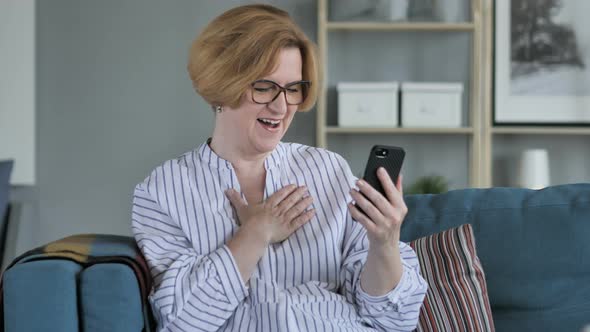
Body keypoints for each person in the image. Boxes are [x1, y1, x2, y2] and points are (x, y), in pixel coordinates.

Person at [132, 4, 427, 332]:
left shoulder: (328, 170)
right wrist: (255, 234)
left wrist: (384, 243)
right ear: (222, 84)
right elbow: (181, 322)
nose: (281, 105)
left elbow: (393, 321)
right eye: (264, 87)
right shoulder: (162, 191)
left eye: (293, 89)